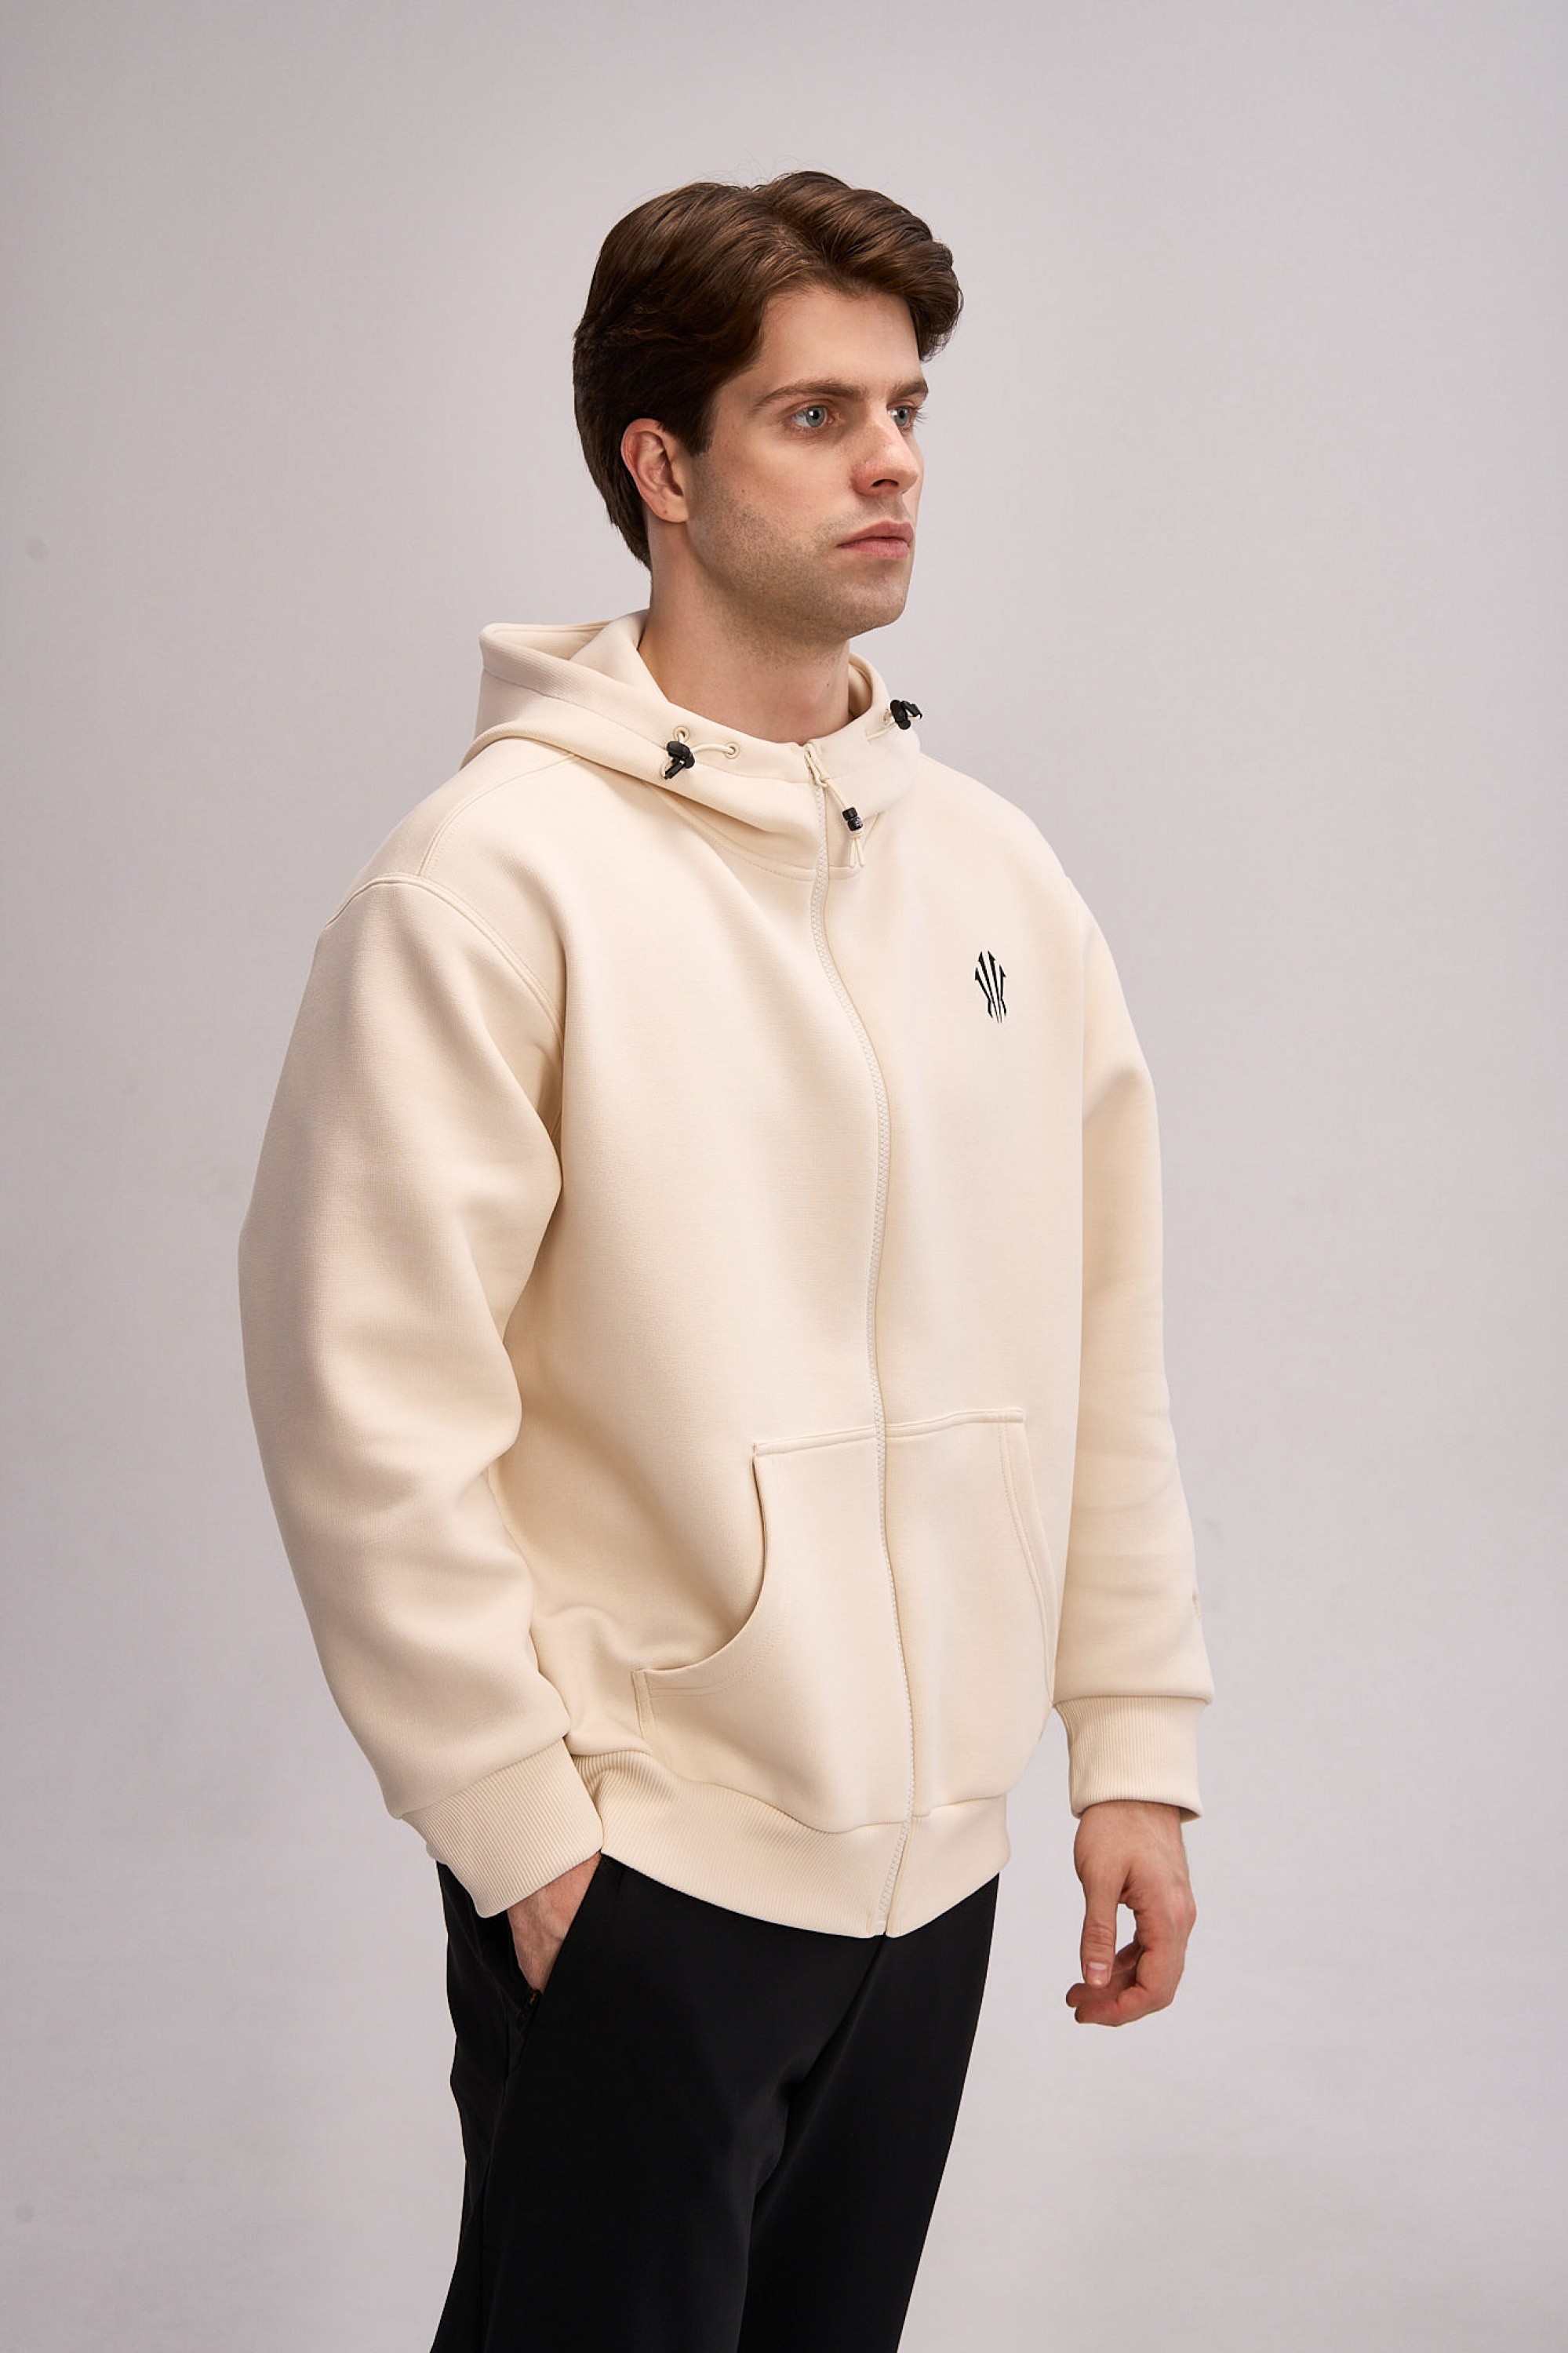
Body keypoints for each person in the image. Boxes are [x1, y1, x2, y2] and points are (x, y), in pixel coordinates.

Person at [237, 169, 1214, 2353]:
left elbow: (1102, 1342)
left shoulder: (999, 880)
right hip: (649, 1868)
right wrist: (525, 1836)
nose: (892, 465)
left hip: (936, 1872)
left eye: (908, 408)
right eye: (814, 414)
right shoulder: (492, 885)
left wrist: (1130, 1742)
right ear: (660, 468)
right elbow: (364, 1398)